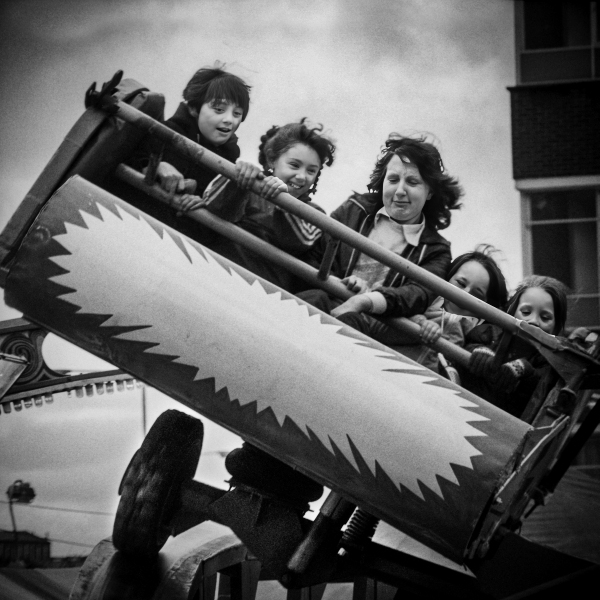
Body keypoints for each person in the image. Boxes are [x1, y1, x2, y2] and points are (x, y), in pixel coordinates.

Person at [298, 133, 463, 332]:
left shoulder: (436, 251)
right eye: (393, 179)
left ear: (430, 191)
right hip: (324, 303)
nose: (400, 190)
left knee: (352, 322)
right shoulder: (355, 209)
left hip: (373, 328)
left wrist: (366, 300)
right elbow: (316, 255)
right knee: (313, 299)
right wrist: (342, 284)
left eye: (412, 182)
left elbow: (416, 295)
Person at [197, 119, 335, 292]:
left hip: (264, 294)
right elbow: (211, 205)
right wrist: (238, 179)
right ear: (271, 159)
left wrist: (284, 201)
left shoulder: (315, 213)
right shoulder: (251, 185)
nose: (301, 176)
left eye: (311, 171)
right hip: (214, 271)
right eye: (294, 165)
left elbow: (301, 240)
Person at [130, 64, 251, 243]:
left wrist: (205, 203)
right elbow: (127, 160)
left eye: (237, 113)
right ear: (194, 108)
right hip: (135, 227)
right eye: (219, 109)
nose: (229, 120)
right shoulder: (163, 132)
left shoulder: (229, 164)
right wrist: (156, 166)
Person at [465, 275, 568, 418]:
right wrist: (477, 351)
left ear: (556, 328)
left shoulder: (551, 361)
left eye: (545, 317)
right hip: (467, 413)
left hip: (509, 429)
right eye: (526, 312)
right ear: (512, 312)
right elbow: (466, 346)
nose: (533, 321)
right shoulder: (487, 333)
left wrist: (526, 371)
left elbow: (542, 390)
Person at [394, 246, 508, 372]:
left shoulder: (480, 340)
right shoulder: (415, 301)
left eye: (477, 294)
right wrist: (418, 322)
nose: (465, 294)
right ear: (447, 277)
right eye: (461, 283)